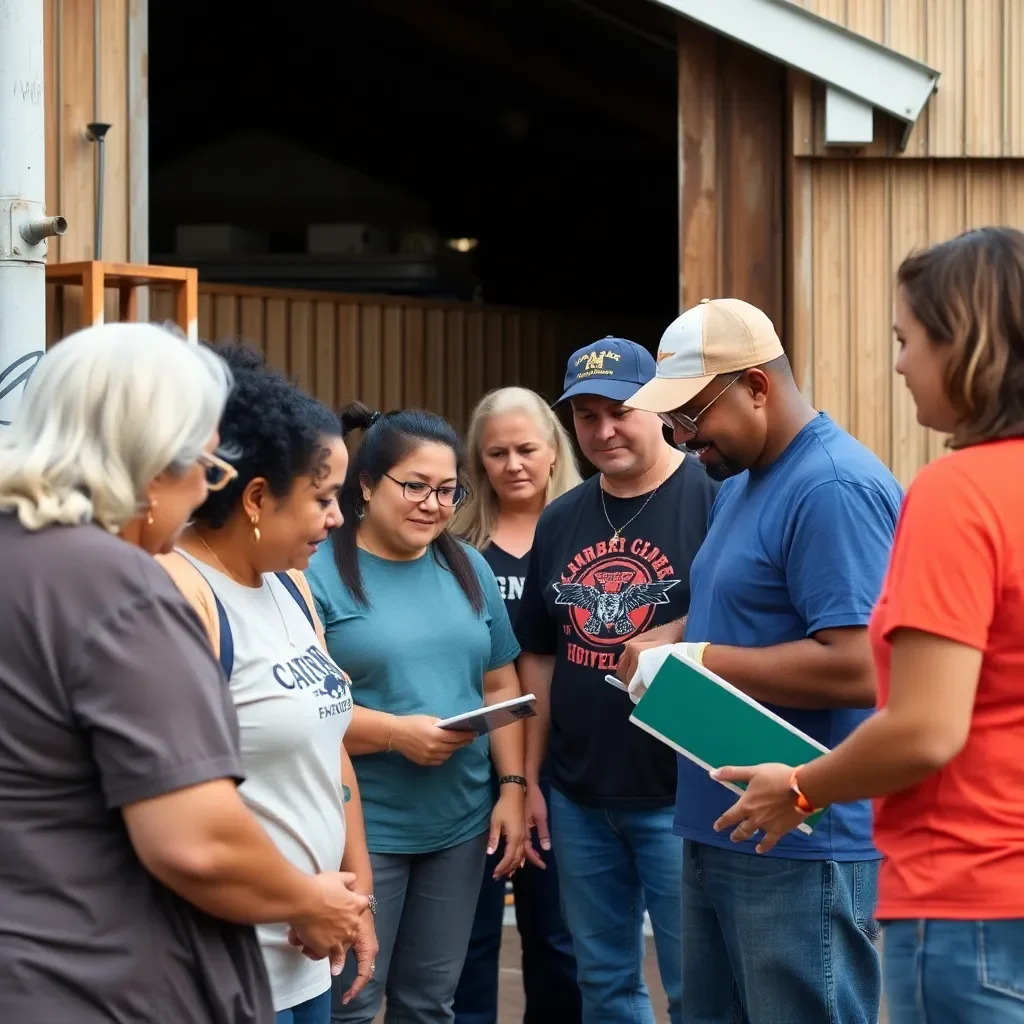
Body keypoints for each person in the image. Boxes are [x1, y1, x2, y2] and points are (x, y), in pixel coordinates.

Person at [0, 323, 366, 1024]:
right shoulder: (121, 587)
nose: (206, 491)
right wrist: (306, 897)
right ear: (150, 459)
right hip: (98, 981)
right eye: (205, 466)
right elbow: (195, 841)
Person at [708, 227, 1024, 1024]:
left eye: (906, 339)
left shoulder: (959, 492)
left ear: (968, 345)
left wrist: (803, 787)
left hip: (969, 897)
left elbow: (924, 728)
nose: (898, 363)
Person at [620, 298, 903, 1024]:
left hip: (802, 840)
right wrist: (668, 643)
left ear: (756, 385)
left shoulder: (832, 488)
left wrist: (702, 655)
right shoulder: (741, 483)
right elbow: (741, 611)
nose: (683, 442)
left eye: (691, 417)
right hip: (723, 823)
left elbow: (861, 666)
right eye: (672, 423)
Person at [159, 345, 375, 1024]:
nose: (337, 518)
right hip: (228, 960)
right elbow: (183, 806)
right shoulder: (181, 594)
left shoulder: (292, 585)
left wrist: (355, 894)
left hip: (310, 950)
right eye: (322, 498)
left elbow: (327, 745)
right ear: (256, 497)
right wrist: (300, 900)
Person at [515, 338, 719, 1024]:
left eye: (620, 411)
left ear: (658, 407)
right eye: (586, 416)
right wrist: (535, 779)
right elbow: (540, 657)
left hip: (681, 790)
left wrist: (679, 629)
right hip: (578, 794)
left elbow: (751, 620)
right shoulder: (560, 517)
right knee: (603, 985)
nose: (603, 431)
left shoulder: (713, 496)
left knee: (697, 988)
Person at [306, 403, 528, 1024]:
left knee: (430, 1004)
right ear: (368, 485)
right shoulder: (314, 575)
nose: (432, 504)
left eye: (448, 491)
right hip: (359, 829)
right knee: (350, 1001)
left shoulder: (468, 565)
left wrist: (511, 787)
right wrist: (394, 734)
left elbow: (497, 679)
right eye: (415, 486)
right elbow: (300, 708)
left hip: (457, 824)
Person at [451, 387, 584, 1024]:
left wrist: (534, 778)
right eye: (496, 453)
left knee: (558, 938)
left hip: (563, 770)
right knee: (470, 941)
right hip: (475, 768)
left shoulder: (582, 531)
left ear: (554, 452)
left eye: (526, 449)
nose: (513, 465)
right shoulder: (454, 544)